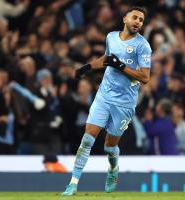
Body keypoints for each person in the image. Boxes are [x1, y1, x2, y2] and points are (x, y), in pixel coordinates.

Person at [62, 7, 152, 196]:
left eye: (141, 20)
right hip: (104, 95)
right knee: (87, 139)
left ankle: (113, 168)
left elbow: (145, 77)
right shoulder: (111, 36)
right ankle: (73, 183)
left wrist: (120, 66)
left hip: (124, 103)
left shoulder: (142, 46)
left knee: (109, 146)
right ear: (125, 18)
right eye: (135, 17)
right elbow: (107, 58)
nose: (138, 22)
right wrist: (87, 67)